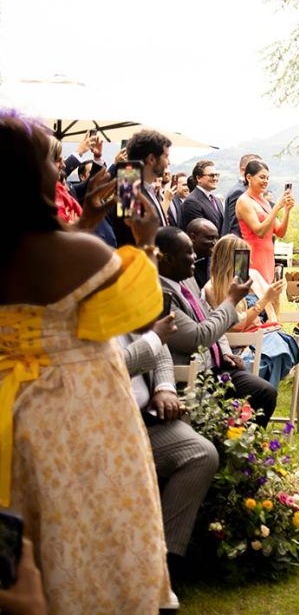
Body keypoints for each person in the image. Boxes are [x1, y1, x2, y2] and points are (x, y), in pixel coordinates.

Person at [0, 110, 173, 611]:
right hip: (73, 416)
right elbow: (141, 312)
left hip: (8, 415)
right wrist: (142, 241)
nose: (60, 171)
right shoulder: (80, 256)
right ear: (28, 176)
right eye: (50, 162)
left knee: (23, 526)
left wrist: (87, 223)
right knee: (85, 531)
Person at [118, 321, 219, 590]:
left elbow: (161, 350)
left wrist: (164, 387)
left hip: (147, 420)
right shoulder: (83, 308)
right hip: (106, 427)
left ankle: (166, 562)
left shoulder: (126, 300)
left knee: (201, 453)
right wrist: (153, 339)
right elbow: (104, 368)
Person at [156, 226, 278, 424]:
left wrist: (225, 352)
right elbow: (197, 338)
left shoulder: (188, 282)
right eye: (188, 252)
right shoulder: (160, 295)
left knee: (264, 392)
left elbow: (210, 318)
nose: (195, 256)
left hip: (218, 364)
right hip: (193, 375)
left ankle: (241, 448)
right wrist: (230, 301)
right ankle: (229, 444)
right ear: (167, 258)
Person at [204, 235, 299, 387]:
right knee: (278, 353)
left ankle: (255, 395)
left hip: (264, 336)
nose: (250, 262)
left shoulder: (253, 275)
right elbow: (235, 325)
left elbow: (271, 315)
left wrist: (274, 299)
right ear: (229, 260)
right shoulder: (212, 288)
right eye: (244, 257)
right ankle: (257, 393)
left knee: (279, 348)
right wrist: (262, 302)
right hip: (239, 345)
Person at [236, 159, 295, 282]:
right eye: (262, 177)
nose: (265, 182)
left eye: (267, 178)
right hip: (253, 255)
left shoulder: (265, 202)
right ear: (249, 177)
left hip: (268, 254)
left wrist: (287, 210)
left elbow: (280, 232)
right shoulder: (244, 201)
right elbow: (259, 231)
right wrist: (277, 206)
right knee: (255, 295)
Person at [112, 129, 172, 245]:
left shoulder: (147, 188)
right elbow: (130, 238)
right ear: (151, 159)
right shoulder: (128, 189)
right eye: (166, 157)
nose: (168, 162)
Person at [180, 160, 224, 234]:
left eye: (217, 175)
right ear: (198, 178)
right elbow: (201, 233)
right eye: (211, 175)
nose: (215, 178)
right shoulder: (192, 202)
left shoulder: (217, 200)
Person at [222, 154, 258, 237]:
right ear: (243, 170)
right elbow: (236, 227)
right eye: (256, 168)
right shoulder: (239, 192)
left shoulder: (247, 190)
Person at [186, 217, 219, 290]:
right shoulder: (183, 266)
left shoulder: (216, 262)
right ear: (193, 237)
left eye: (216, 238)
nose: (215, 243)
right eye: (210, 238)